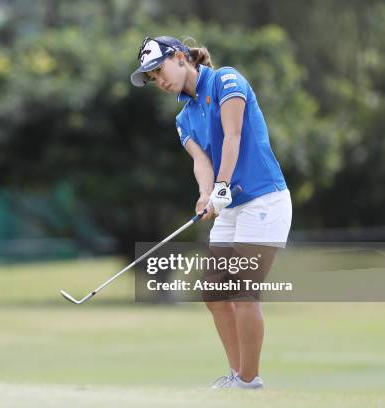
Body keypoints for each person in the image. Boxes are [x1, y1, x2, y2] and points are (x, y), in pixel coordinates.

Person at [130, 36, 292, 389]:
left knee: (243, 291)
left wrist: (221, 186)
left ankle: (249, 381)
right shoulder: (184, 117)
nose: (160, 81)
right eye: (153, 78)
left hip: (264, 199)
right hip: (229, 206)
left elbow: (232, 136)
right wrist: (207, 194)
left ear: (180, 57)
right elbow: (201, 161)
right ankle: (237, 376)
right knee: (214, 293)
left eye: (160, 71)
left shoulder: (226, 81)